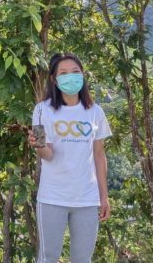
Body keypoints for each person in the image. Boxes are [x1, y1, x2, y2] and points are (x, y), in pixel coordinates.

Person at [28, 53, 111, 263]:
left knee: (83, 259)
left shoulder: (95, 111)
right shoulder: (41, 110)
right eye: (63, 73)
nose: (70, 77)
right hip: (52, 197)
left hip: (87, 199)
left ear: (82, 75)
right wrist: (38, 145)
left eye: (75, 72)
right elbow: (47, 155)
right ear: (54, 80)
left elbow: (99, 155)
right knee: (48, 257)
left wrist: (104, 196)